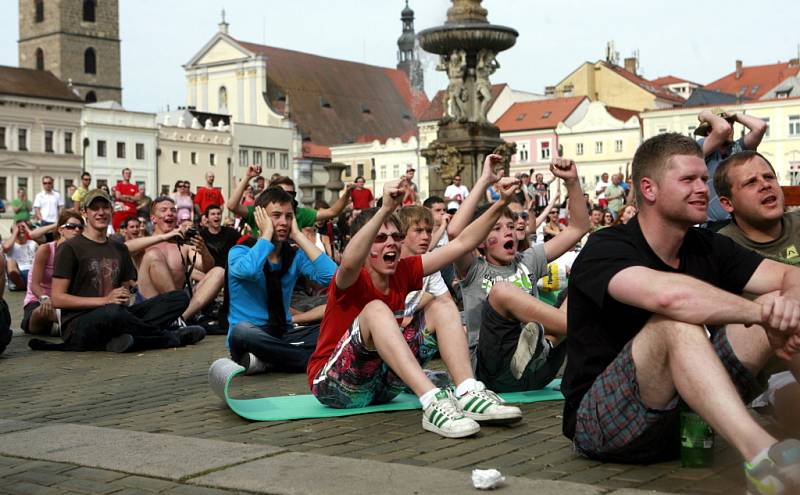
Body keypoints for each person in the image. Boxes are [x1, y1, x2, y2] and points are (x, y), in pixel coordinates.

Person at [561, 133, 800, 493]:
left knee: (784, 304)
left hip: (688, 422)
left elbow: (790, 275)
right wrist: (762, 312)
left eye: (704, 179)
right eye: (688, 180)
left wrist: (786, 308)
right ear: (650, 189)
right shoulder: (605, 247)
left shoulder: (707, 245)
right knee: (675, 324)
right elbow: (672, 298)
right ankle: (763, 457)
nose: (702, 188)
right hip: (602, 424)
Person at [307, 166, 523, 439]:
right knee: (375, 310)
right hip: (333, 386)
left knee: (442, 305)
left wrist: (501, 202)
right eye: (381, 238)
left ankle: (468, 392)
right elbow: (349, 258)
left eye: (396, 237)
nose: (392, 244)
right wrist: (385, 210)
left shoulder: (404, 270)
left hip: (382, 387)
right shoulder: (351, 277)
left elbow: (462, 243)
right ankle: (433, 403)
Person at [449, 157, 590, 392]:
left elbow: (578, 229)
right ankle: (589, 329)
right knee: (502, 291)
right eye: (497, 228)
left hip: (539, 371)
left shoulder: (528, 260)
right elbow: (455, 234)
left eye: (511, 227)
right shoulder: (473, 269)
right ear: (480, 241)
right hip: (495, 372)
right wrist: (485, 181)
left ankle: (544, 344)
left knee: (580, 285)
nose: (509, 233)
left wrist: (572, 182)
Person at [32, 189, 205, 353]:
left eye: (105, 207)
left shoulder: (118, 248)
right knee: (113, 311)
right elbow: (58, 299)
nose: (101, 212)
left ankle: (125, 339)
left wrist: (128, 293)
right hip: (80, 324)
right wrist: (105, 300)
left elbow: (127, 289)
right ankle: (169, 338)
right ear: (85, 213)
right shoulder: (70, 248)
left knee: (178, 298)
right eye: (94, 208)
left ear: (112, 211)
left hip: (116, 315)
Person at [715, 150, 800, 436]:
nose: (765, 185)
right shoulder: (720, 248)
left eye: (769, 177)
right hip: (772, 377)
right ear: (727, 203)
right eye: (751, 182)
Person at [227, 188, 337, 374]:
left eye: (289, 217)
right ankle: (309, 360)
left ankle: (270, 361)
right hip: (252, 336)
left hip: (283, 334)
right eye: (276, 216)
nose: (283, 222)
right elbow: (251, 271)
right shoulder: (239, 252)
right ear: (260, 217)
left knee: (338, 325)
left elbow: (333, 276)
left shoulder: (294, 255)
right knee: (241, 331)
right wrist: (266, 234)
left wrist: (299, 236)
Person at [137, 197, 225, 325]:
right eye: (164, 210)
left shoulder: (184, 247)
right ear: (153, 218)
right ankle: (173, 318)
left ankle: (180, 319)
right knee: (153, 255)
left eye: (173, 210)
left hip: (180, 307)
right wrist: (162, 237)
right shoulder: (143, 245)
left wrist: (204, 250)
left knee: (219, 272)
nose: (169, 213)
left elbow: (208, 268)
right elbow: (125, 248)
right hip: (151, 305)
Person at [227, 166, 355, 237]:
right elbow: (232, 206)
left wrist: (347, 193)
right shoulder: (260, 211)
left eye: (291, 194)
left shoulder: (300, 213)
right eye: (282, 193)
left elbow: (332, 212)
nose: (287, 197)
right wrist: (248, 177)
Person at [696, 108, 767, 228]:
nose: (729, 127)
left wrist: (733, 115)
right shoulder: (702, 148)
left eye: (731, 123)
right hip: (714, 226)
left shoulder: (738, 148)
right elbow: (722, 129)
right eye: (723, 122)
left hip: (742, 223)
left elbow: (760, 126)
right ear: (709, 132)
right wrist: (705, 114)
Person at [21, 211, 85, 335]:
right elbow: (34, 285)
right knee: (42, 311)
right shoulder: (46, 249)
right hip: (39, 301)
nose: (77, 230)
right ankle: (70, 327)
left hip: (62, 303)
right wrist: (45, 298)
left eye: (80, 227)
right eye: (71, 226)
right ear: (61, 230)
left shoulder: (79, 254)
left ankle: (63, 327)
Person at [199, 204, 240, 269]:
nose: (216, 216)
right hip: (209, 270)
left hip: (229, 270)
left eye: (219, 214)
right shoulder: (201, 235)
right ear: (207, 218)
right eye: (213, 214)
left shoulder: (231, 232)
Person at [4, 221, 40, 291]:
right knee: (10, 261)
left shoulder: (33, 243)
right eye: (18, 228)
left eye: (23, 227)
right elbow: (6, 247)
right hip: (18, 273)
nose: (21, 229)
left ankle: (26, 286)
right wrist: (15, 231)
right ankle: (20, 285)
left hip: (33, 272)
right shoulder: (10, 244)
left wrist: (27, 229)